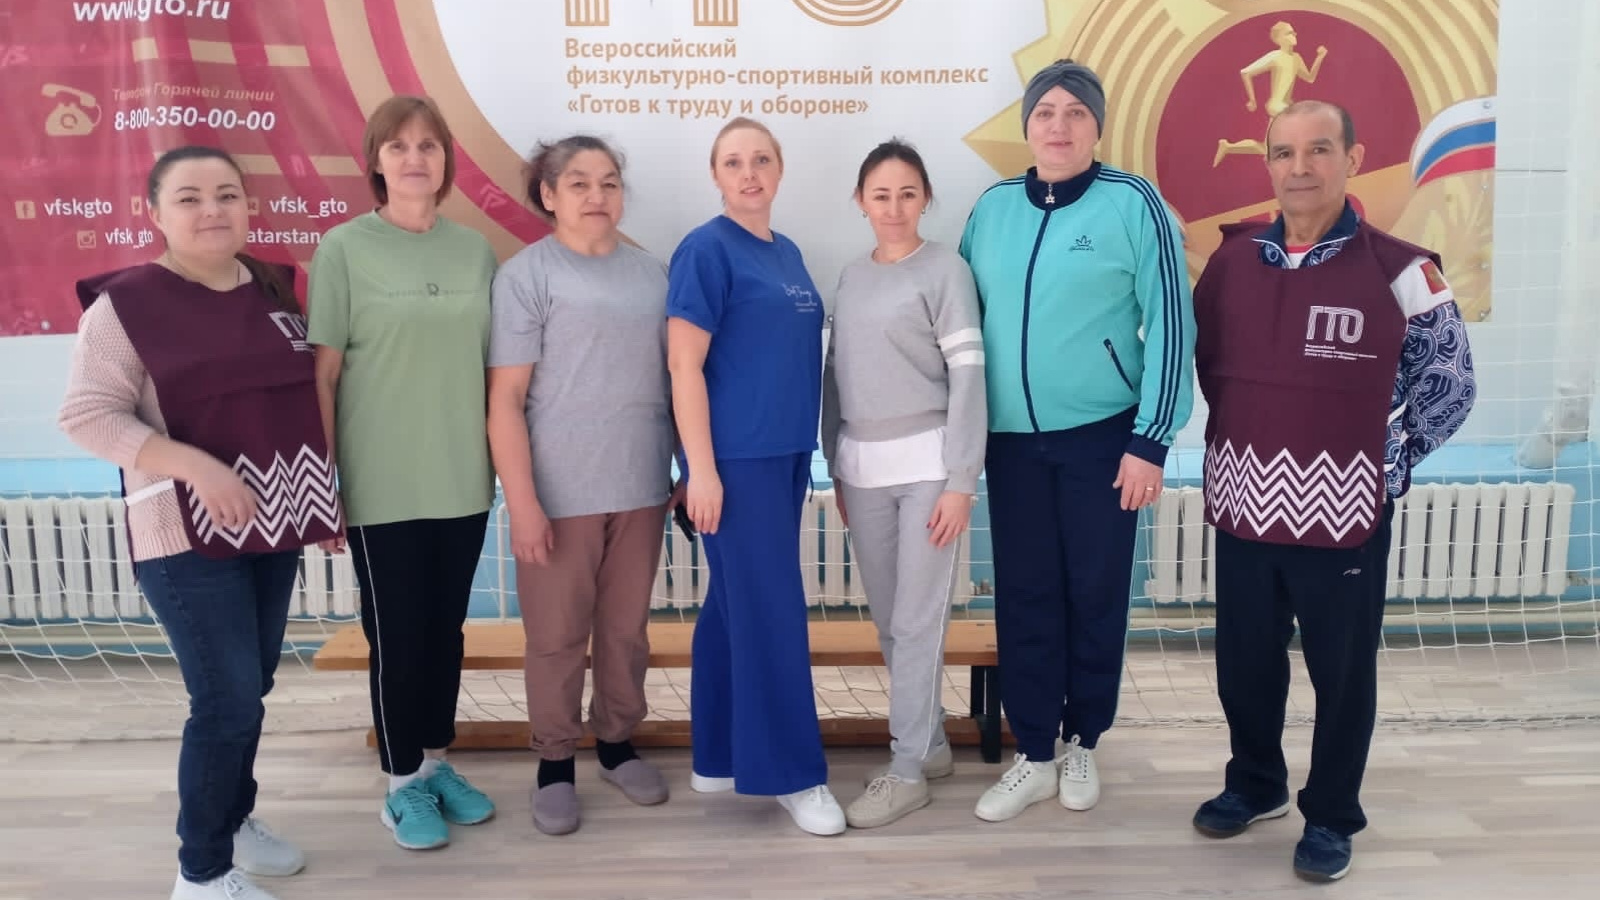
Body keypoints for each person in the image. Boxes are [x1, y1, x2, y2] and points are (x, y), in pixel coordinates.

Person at [1189, 99, 1475, 883]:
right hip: (1243, 506)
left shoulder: (1403, 271)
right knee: (1245, 665)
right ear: (1268, 165)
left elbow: (1451, 384)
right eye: (1284, 153)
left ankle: (1331, 815)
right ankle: (1256, 784)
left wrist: (1386, 466)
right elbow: (1211, 369)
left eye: (1319, 150)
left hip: (1344, 515)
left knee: (1342, 676)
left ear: (1352, 158)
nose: (1301, 168)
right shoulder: (1232, 261)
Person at [58, 145, 342, 900]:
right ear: (154, 212)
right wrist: (195, 467)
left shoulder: (276, 289)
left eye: (227, 194)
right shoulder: (125, 306)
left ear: (249, 206)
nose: (212, 209)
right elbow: (87, 416)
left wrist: (323, 500)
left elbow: (298, 405)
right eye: (189, 197)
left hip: (273, 527)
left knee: (251, 687)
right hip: (183, 537)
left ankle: (234, 818)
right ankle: (202, 873)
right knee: (224, 698)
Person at [958, 59, 1195, 822]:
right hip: (1011, 445)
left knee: (1095, 593)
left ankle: (1084, 739)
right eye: (1045, 112)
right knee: (1025, 595)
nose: (1058, 125)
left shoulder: (1134, 203)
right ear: (1027, 126)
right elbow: (960, 325)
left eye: (1075, 112)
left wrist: (1151, 439)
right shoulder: (992, 209)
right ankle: (1034, 752)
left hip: (1104, 441)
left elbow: (1172, 323)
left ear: (1097, 126)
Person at [307, 94, 499, 851]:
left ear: (447, 159)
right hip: (380, 484)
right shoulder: (343, 248)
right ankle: (399, 785)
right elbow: (324, 375)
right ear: (376, 162)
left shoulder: (474, 251)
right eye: (398, 146)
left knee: (445, 633)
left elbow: (492, 370)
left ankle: (436, 762)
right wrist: (325, 487)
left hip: (462, 478)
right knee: (397, 638)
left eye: (428, 145)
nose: (415, 158)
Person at [486, 135, 676, 835]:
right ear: (549, 194)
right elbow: (505, 400)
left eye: (608, 182)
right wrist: (523, 502)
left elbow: (680, 383)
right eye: (579, 183)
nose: (597, 196)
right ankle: (556, 761)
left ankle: (617, 744)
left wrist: (684, 469)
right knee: (556, 638)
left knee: (625, 633)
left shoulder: (654, 276)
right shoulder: (526, 277)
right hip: (558, 497)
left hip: (641, 488)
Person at [665, 116, 843, 836]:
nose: (749, 173)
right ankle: (792, 774)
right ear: (715, 175)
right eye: (734, 161)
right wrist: (700, 471)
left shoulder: (787, 251)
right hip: (735, 462)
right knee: (771, 612)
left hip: (786, 455)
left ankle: (719, 754)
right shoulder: (705, 250)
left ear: (779, 169)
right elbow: (683, 366)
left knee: (734, 606)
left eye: (761, 159)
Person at [819, 139, 986, 829]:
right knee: (892, 622)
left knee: (919, 623)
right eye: (881, 195)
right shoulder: (850, 278)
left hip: (929, 470)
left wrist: (960, 481)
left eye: (907, 194)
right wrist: (835, 464)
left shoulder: (946, 271)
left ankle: (907, 770)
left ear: (926, 200)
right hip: (862, 472)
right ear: (861, 201)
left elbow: (969, 377)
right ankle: (931, 744)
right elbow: (833, 380)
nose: (894, 207)